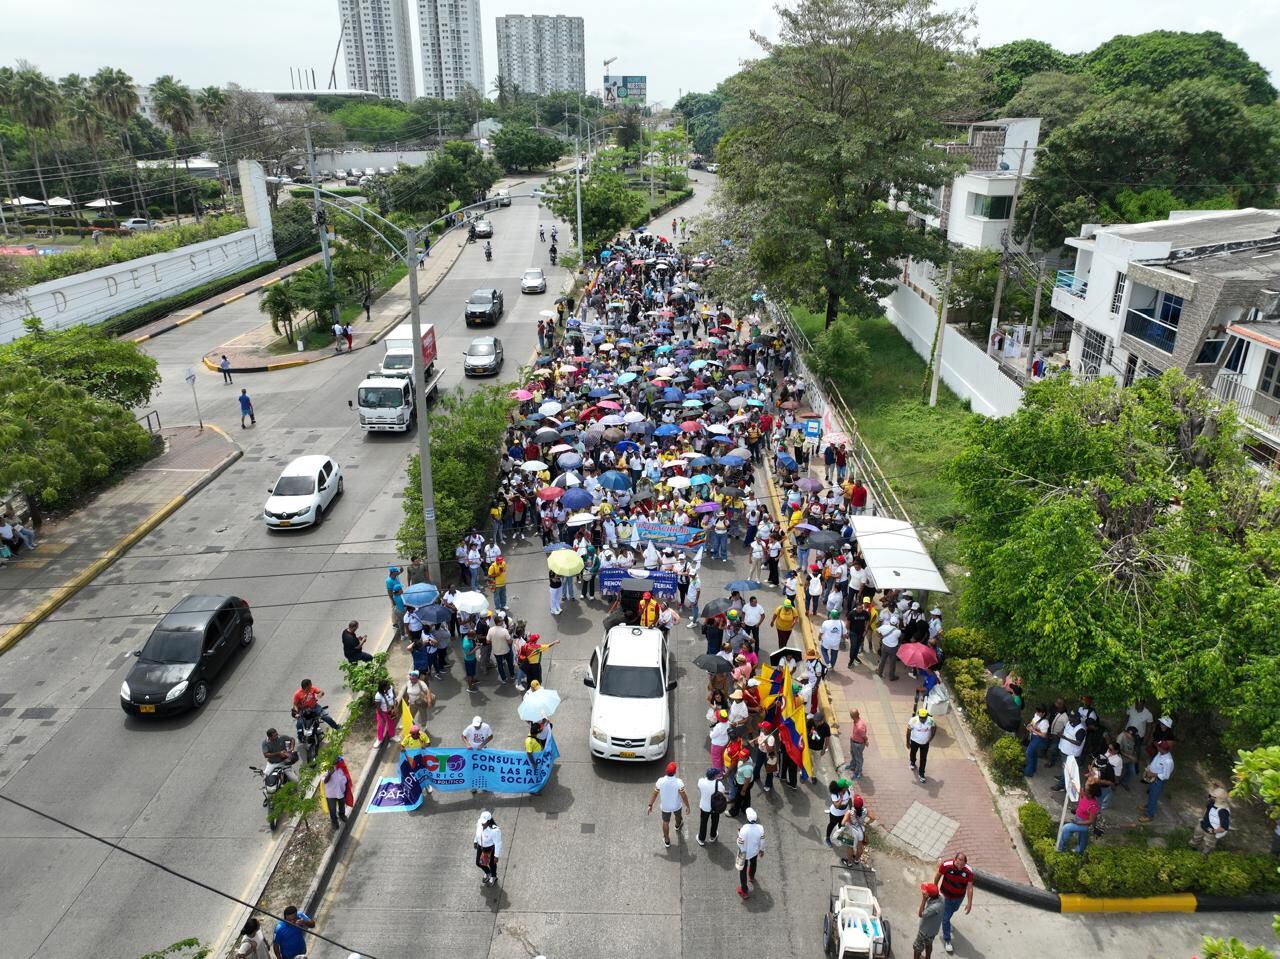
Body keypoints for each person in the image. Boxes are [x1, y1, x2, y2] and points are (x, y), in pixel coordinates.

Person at [934, 853, 975, 954]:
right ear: (955, 859)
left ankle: (945, 919)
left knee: (953, 910)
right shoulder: (946, 865)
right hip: (946, 897)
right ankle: (947, 940)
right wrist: (935, 887)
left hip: (958, 898)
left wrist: (969, 903)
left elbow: (970, 888)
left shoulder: (969, 871)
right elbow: (938, 875)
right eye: (958, 860)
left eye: (962, 862)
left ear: (965, 863)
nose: (960, 863)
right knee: (945, 918)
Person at [648, 761, 690, 848]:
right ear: (675, 772)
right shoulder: (679, 782)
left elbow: (654, 794)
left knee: (665, 822)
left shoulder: (660, 781)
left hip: (665, 807)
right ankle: (677, 825)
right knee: (678, 816)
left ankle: (667, 840)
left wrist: (650, 805)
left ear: (666, 770)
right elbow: (684, 795)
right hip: (676, 805)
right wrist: (687, 806)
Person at [1056, 782, 1100, 854]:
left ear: (1090, 794)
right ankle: (1080, 851)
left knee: (1066, 828)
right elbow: (1076, 789)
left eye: (1085, 789)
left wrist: (1078, 823)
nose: (1083, 789)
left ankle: (1060, 848)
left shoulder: (1093, 806)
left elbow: (1091, 820)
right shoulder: (1084, 795)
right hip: (1077, 818)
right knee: (1083, 837)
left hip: (1084, 824)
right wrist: (1072, 782)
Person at [1139, 741, 1175, 822]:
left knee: (1153, 797)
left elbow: (1166, 776)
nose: (1157, 747)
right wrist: (1149, 768)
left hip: (1158, 781)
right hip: (1152, 777)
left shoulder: (1168, 761)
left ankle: (1149, 815)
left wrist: (1153, 774)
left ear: (1162, 749)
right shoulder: (1160, 753)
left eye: (1158, 746)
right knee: (1150, 793)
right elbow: (1154, 762)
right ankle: (1148, 806)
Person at [1191, 787, 1232, 854]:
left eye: (1212, 796)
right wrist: (1203, 818)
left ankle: (1203, 855)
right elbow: (1207, 809)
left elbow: (1223, 828)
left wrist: (1213, 831)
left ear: (1218, 799)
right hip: (1202, 825)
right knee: (1196, 837)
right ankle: (1193, 848)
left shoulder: (1223, 811)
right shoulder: (1211, 801)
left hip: (1211, 832)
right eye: (1210, 795)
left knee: (1208, 844)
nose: (1209, 797)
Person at [735, 807, 765, 900]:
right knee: (753, 863)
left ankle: (744, 891)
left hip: (744, 853)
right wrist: (761, 850)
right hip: (754, 851)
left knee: (742, 871)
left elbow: (740, 843)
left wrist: (738, 835)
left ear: (747, 818)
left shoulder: (744, 829)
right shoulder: (760, 828)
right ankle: (751, 876)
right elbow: (762, 841)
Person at [913, 883, 945, 959]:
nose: (923, 892)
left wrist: (924, 900)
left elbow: (921, 914)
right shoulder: (941, 898)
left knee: (917, 947)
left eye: (925, 892)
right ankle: (927, 957)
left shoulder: (933, 908)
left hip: (925, 932)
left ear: (929, 895)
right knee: (929, 944)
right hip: (933, 931)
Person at [697, 767, 726, 846]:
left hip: (704, 807)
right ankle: (713, 836)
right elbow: (723, 792)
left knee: (703, 823)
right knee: (715, 821)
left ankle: (701, 839)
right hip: (715, 807)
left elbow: (699, 786)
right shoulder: (719, 784)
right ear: (714, 776)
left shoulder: (701, 782)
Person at [907, 707, 936, 784]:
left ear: (927, 716)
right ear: (918, 716)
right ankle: (912, 762)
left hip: (925, 743)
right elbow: (908, 731)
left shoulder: (931, 720)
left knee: (923, 758)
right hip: (914, 741)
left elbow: (934, 727)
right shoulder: (913, 720)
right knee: (913, 753)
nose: (923, 719)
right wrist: (907, 742)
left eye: (924, 718)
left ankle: (921, 774)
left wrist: (931, 738)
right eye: (921, 718)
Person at [474, 811, 502, 886]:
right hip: (481, 846)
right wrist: (475, 841)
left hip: (490, 849)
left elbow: (498, 843)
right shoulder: (480, 823)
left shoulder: (495, 830)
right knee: (478, 863)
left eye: (484, 822)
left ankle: (493, 876)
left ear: (489, 821)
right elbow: (477, 832)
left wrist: (496, 856)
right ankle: (488, 872)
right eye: (482, 821)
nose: (482, 824)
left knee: (491, 864)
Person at [1023, 705, 1050, 776]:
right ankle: (1033, 769)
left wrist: (1033, 730)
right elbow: (1032, 723)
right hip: (1033, 737)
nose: (1037, 713)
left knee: (1029, 753)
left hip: (1038, 739)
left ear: (1043, 713)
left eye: (1039, 712)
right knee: (1034, 754)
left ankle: (1028, 772)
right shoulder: (1036, 715)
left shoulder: (1045, 722)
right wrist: (1029, 725)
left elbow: (1044, 735)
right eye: (1037, 711)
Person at [323, 760, 350, 829]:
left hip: (340, 791)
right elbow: (324, 781)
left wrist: (344, 782)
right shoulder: (325, 767)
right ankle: (334, 822)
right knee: (332, 809)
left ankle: (342, 815)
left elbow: (345, 774)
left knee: (342, 805)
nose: (336, 759)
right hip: (331, 794)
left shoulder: (340, 765)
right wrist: (329, 773)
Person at [825, 777, 852, 845]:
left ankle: (839, 836)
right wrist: (841, 798)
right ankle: (827, 837)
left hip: (844, 813)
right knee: (831, 825)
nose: (848, 786)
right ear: (843, 788)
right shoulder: (835, 794)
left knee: (841, 825)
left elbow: (849, 800)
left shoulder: (848, 790)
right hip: (835, 814)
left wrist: (851, 809)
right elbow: (836, 806)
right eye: (847, 786)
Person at [373, 679, 397, 744]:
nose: (389, 686)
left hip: (391, 709)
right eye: (387, 685)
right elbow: (378, 708)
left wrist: (394, 705)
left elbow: (394, 697)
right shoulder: (378, 696)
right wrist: (383, 718)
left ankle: (392, 736)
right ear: (383, 687)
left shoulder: (390, 688)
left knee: (391, 723)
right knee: (381, 725)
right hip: (382, 712)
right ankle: (379, 739)